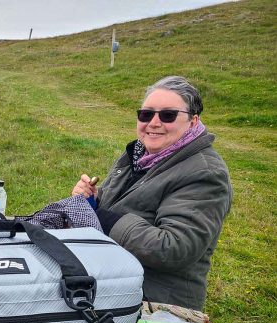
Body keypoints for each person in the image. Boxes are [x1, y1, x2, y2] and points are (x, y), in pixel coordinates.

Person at [72, 76, 232, 310]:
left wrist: (102, 218)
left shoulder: (205, 174)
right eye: (146, 114)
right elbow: (125, 205)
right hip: (114, 280)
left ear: (193, 121)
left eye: (168, 115)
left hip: (156, 302)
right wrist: (93, 200)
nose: (154, 123)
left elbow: (175, 248)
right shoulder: (139, 155)